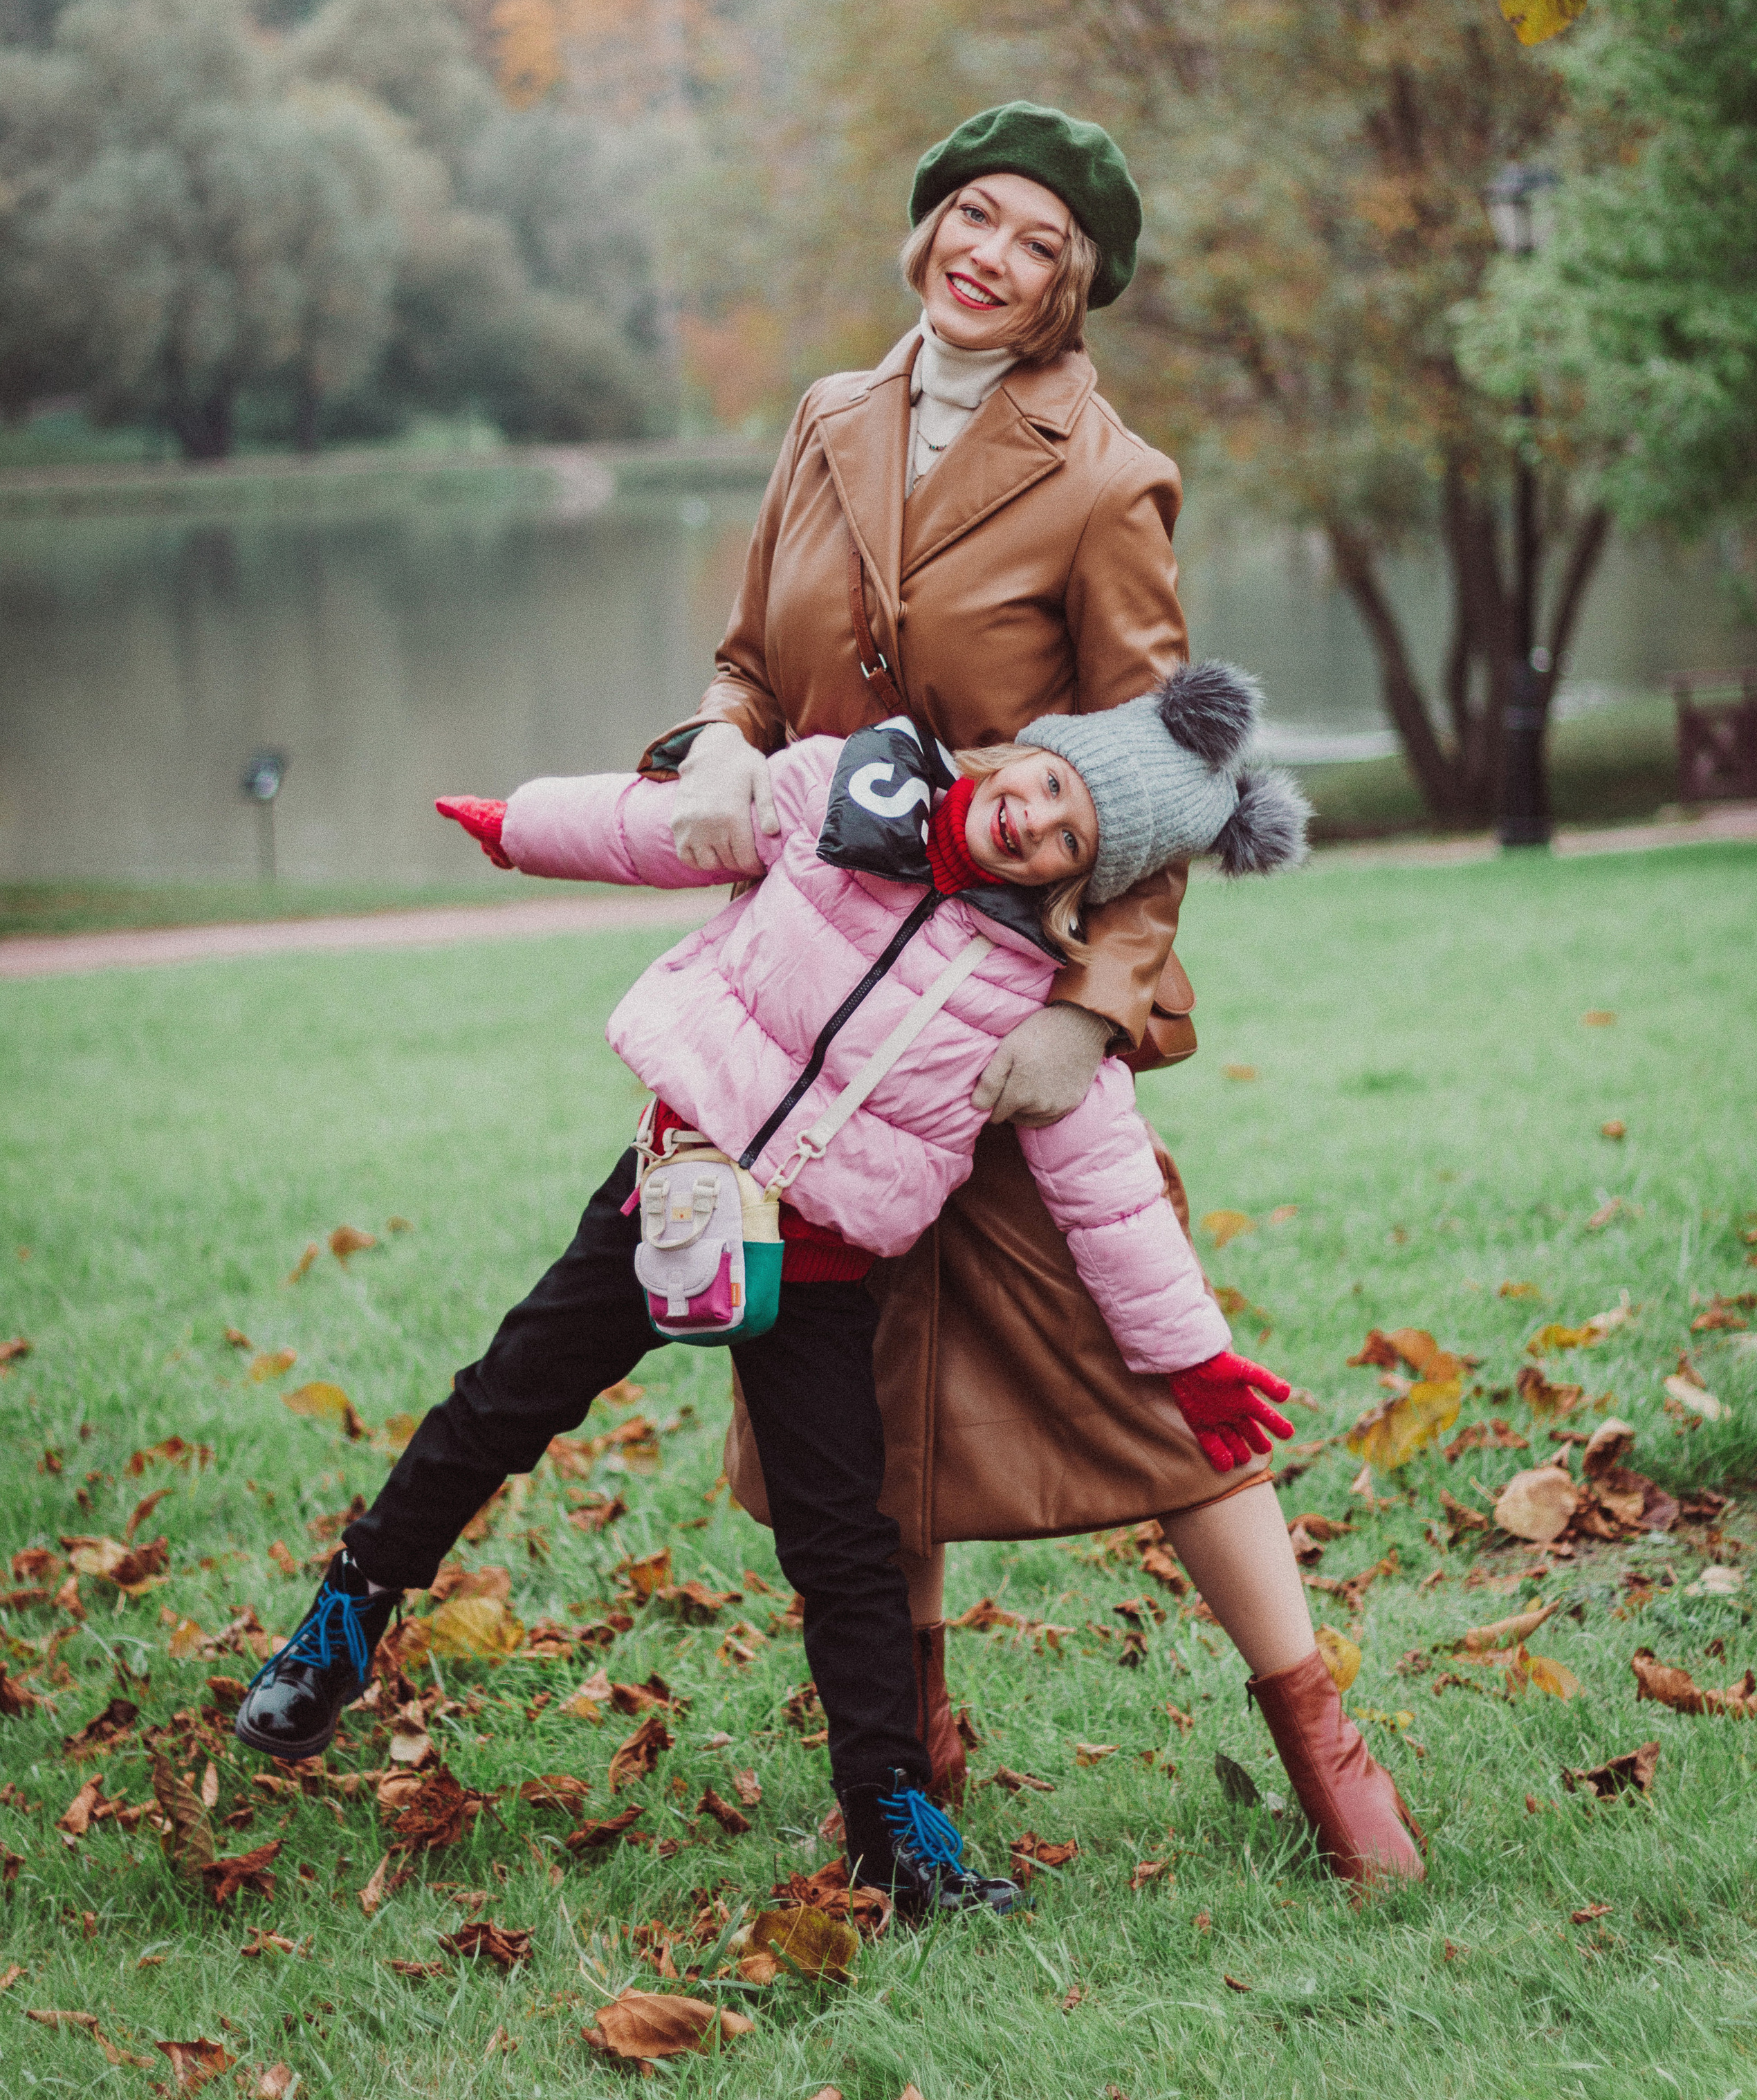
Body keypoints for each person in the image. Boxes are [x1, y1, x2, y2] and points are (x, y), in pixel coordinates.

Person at [644, 102, 1422, 1892]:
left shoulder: (1104, 476)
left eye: (1040, 244)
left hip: (1001, 1020)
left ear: (1073, 293)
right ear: (927, 226)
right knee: (853, 1395)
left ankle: (1318, 1728)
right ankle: (908, 1758)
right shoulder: (826, 419)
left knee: (1154, 1383)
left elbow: (1175, 772)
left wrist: (1092, 1008)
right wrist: (715, 747)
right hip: (823, 1019)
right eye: (975, 217)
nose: (992, 255)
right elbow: (754, 667)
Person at [233, 663, 1306, 1917]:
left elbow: (1111, 1198)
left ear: (1082, 883)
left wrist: (1192, 1360)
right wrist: (519, 827)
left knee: (846, 1540)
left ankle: (891, 1827)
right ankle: (344, 1620)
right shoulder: (844, 791)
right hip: (679, 1192)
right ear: (1023, 752)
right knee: (501, 1404)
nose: (1038, 819)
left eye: (1073, 841)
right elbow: (667, 833)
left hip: (825, 1259)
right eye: (1049, 785)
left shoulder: (1035, 1008)